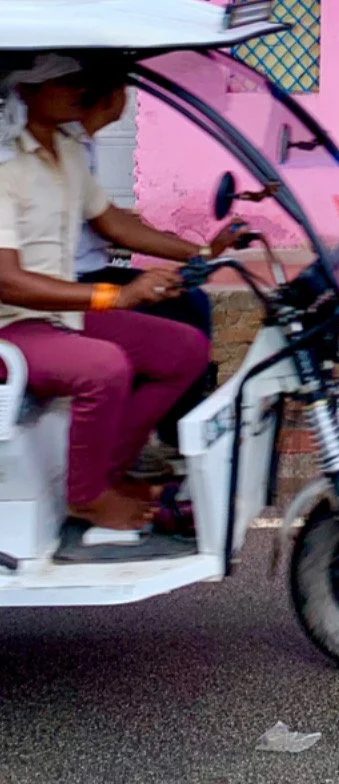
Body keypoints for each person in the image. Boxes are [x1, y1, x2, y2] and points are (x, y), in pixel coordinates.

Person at [0, 54, 240, 533]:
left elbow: (112, 222)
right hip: (12, 326)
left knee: (185, 348)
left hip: (58, 316)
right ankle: (85, 497)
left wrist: (200, 251)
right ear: (25, 92)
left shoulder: (66, 151)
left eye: (76, 79)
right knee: (106, 368)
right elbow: (6, 279)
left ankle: (107, 473)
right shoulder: (5, 165)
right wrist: (113, 296)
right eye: (60, 81)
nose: (76, 90)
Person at [72, 62, 218, 458]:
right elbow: (112, 226)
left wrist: (199, 251)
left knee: (189, 300)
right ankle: (144, 445)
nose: (127, 98)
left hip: (89, 272)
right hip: (69, 286)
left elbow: (108, 218)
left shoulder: (79, 144)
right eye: (123, 87)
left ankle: (174, 431)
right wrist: (195, 250)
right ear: (108, 96)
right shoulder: (61, 146)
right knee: (177, 333)